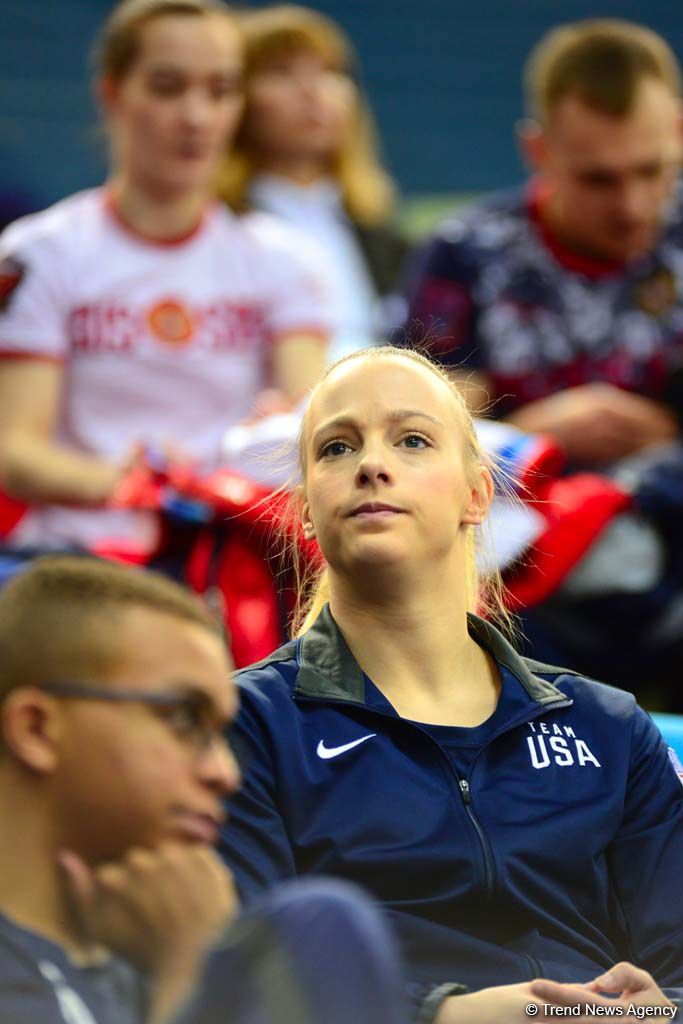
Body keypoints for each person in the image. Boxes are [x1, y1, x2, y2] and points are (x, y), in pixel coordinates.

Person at [219, 346, 683, 1024]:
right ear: (307, 509)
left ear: (476, 496)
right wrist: (444, 1015)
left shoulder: (608, 727)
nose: (371, 465)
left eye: (411, 440)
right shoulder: (243, 723)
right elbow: (236, 978)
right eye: (336, 448)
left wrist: (656, 1015)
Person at [0, 554, 410, 1024]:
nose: (224, 773)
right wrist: (194, 971)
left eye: (221, 733)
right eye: (183, 718)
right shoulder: (178, 951)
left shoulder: (143, 950)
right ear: (37, 731)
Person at [399, 19, 683, 691]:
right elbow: (409, 420)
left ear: (677, 129)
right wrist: (535, 432)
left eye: (652, 172)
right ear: (537, 150)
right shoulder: (465, 252)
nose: (632, 205)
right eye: (598, 180)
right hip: (520, 566)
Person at [0, 0, 329, 559]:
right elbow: (13, 451)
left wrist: (288, 432)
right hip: (77, 558)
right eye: (168, 86)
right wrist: (132, 485)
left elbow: (312, 433)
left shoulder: (285, 260)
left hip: (235, 560)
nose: (197, 117)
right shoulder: (39, 254)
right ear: (113, 93)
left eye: (220, 90)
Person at [218, 4, 410, 363]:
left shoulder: (381, 234)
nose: (312, 91)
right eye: (281, 71)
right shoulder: (217, 226)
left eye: (329, 72)